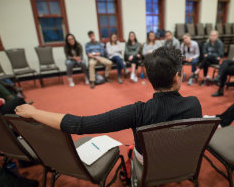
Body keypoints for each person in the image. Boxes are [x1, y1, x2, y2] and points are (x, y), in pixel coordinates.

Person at [15, 47, 202, 164]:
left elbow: (80, 124)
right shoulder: (194, 104)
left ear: (150, 77)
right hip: (180, 162)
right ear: (177, 76)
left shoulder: (137, 111)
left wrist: (35, 111)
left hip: (148, 163)